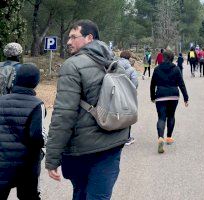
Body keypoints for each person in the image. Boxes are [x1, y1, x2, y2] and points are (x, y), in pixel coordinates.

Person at [45, 19, 129, 200]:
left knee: (81, 193)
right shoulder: (113, 61)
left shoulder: (72, 65)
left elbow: (63, 114)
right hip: (113, 141)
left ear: (89, 38)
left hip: (83, 148)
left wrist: (52, 157)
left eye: (73, 37)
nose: (68, 42)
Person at [0, 63, 46, 200]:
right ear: (36, 82)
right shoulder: (37, 104)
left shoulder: (1, 100)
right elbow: (37, 137)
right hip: (26, 166)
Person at [150, 50, 189, 154]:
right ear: (172, 58)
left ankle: (160, 138)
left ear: (163, 58)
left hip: (160, 95)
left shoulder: (157, 69)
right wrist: (186, 98)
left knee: (161, 117)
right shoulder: (176, 69)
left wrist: (152, 96)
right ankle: (169, 137)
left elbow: (152, 84)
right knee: (171, 116)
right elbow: (181, 84)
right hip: (173, 95)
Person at [118, 50, 138, 146]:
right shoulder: (131, 69)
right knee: (127, 115)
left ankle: (115, 137)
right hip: (127, 95)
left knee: (116, 114)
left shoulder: (113, 66)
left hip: (115, 95)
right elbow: (135, 83)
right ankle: (127, 138)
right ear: (129, 58)